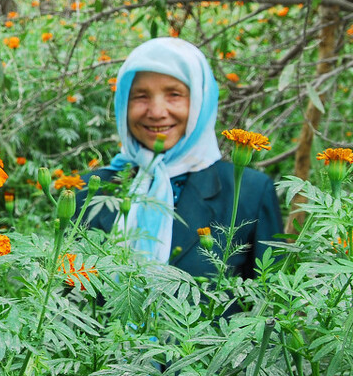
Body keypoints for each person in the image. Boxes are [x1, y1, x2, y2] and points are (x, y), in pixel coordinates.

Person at [78, 37, 282, 280]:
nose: (156, 112)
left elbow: (270, 304)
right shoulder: (87, 190)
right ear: (122, 103)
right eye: (140, 96)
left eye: (174, 94)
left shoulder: (249, 192)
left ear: (200, 101)